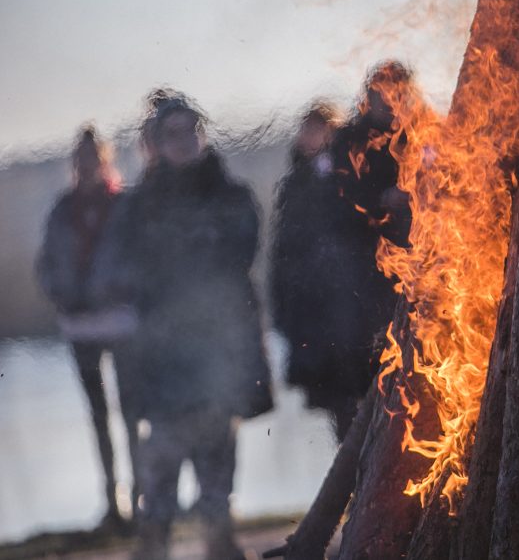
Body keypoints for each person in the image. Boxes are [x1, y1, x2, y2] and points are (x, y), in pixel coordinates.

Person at [91, 93, 273, 560]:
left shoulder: (231, 195)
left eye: (191, 130)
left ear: (202, 134)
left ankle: (220, 545)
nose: (184, 141)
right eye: (172, 133)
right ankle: (153, 548)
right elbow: (117, 271)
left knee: (217, 462)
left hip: (220, 353)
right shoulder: (137, 208)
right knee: (162, 465)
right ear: (155, 143)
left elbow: (239, 254)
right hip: (162, 359)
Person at [270, 98, 398, 441]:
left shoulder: (355, 174)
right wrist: (283, 312)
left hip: (357, 306)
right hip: (316, 312)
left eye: (321, 128)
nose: (313, 136)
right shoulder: (295, 182)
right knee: (340, 410)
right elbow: (283, 250)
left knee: (372, 402)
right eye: (308, 129)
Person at [36, 125, 134, 532]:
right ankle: (113, 503)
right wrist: (63, 295)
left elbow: (140, 258)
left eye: (94, 158)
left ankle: (144, 497)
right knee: (98, 416)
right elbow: (46, 265)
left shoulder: (124, 205)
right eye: (81, 159)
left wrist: (116, 289)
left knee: (132, 412)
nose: (88, 165)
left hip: (122, 323)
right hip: (80, 328)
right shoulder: (63, 209)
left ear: (106, 161)